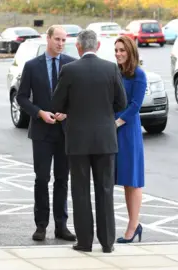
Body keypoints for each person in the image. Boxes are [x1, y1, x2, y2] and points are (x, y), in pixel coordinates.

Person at [51, 29, 127, 253]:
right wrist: (104, 113)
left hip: (78, 140)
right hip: (105, 138)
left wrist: (71, 110)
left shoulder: (69, 70)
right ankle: (107, 243)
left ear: (78, 47)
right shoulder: (111, 68)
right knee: (105, 190)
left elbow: (57, 103)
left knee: (81, 191)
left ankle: (84, 242)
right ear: (99, 45)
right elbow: (121, 103)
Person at [16, 25, 77, 242]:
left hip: (63, 132)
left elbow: (77, 97)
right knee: (42, 179)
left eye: (64, 40)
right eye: (57, 39)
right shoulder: (32, 66)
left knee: (62, 179)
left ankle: (61, 226)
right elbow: (21, 97)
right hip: (41, 131)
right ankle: (40, 225)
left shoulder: (71, 64)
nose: (61, 44)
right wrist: (39, 112)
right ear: (48, 38)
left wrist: (67, 113)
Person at [113, 35, 146, 243]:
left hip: (128, 130)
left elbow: (135, 106)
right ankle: (133, 224)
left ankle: (133, 226)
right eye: (116, 50)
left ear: (131, 51)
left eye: (122, 50)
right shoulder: (116, 72)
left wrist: (117, 122)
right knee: (125, 180)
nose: (118, 53)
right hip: (114, 128)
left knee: (133, 181)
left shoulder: (139, 75)